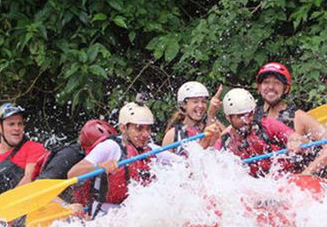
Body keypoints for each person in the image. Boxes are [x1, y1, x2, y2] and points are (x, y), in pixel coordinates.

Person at [68, 101, 221, 218]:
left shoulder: (151, 150)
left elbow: (188, 167)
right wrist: (99, 166)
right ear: (123, 128)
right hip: (105, 215)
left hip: (135, 216)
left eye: (148, 128)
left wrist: (205, 142)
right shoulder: (110, 147)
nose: (145, 134)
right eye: (139, 128)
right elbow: (73, 173)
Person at [254, 62, 327, 175]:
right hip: (261, 181)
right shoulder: (251, 116)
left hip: (293, 183)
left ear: (286, 89)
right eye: (266, 82)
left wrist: (306, 173)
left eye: (276, 83)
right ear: (259, 88)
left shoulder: (298, 117)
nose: (270, 87)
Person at [0, 103, 47, 227]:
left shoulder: (34, 148)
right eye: (11, 124)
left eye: (20, 124)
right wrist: (6, 222)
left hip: (37, 210)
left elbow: (28, 179)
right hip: (14, 221)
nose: (17, 128)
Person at [36, 119, 117, 217]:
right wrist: (65, 206)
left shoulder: (97, 161)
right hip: (44, 208)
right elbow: (39, 188)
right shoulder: (70, 155)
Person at [215, 88, 303, 177]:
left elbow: (294, 136)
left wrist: (294, 141)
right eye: (240, 116)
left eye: (249, 114)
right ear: (228, 118)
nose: (247, 121)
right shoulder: (224, 144)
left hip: (285, 178)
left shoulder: (267, 126)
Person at [162, 81, 223, 152]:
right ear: (183, 105)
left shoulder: (214, 127)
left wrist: (211, 113)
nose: (200, 106)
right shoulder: (173, 135)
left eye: (203, 102)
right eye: (195, 102)